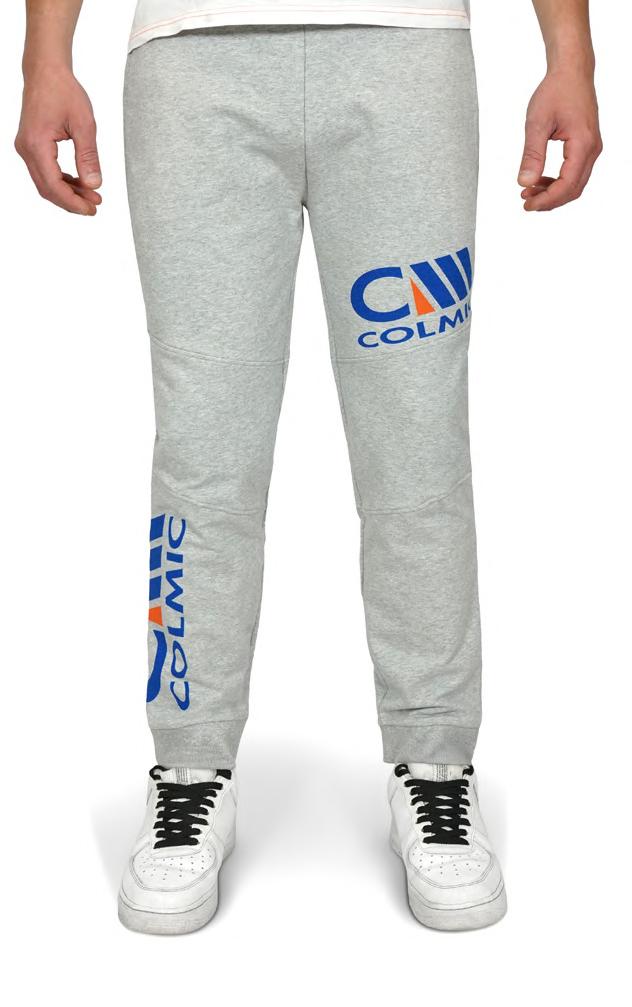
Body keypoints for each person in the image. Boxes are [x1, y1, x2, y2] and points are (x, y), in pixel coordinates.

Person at [16, 0, 601, 935]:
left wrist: (571, 55)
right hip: (192, 61)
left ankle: (435, 760)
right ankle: (190, 764)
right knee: (203, 448)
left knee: (417, 441)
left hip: (405, 56)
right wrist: (44, 56)